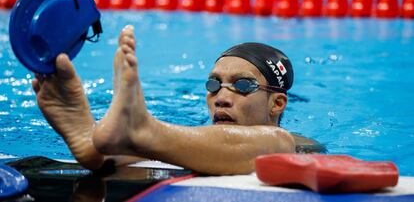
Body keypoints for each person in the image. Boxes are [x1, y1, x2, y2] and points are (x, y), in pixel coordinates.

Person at [32, 25, 315, 175]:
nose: (221, 98)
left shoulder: (300, 143)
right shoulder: (188, 133)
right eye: (213, 84)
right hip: (173, 136)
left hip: (277, 143)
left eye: (243, 86)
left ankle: (139, 130)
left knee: (280, 143)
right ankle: (96, 145)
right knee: (149, 139)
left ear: (276, 103)